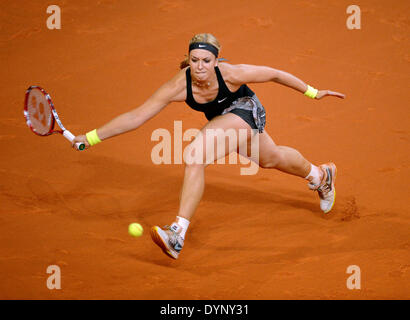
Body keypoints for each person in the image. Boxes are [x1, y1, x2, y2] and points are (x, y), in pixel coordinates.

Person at [73, 33, 345, 260]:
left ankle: (177, 233)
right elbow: (137, 116)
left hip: (247, 110)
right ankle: (320, 176)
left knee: (194, 155)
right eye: (194, 60)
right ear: (188, 60)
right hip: (223, 119)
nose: (200, 66)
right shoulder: (178, 86)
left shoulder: (231, 73)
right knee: (271, 159)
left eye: (206, 60)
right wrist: (92, 137)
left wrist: (312, 92)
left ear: (216, 61)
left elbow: (274, 74)